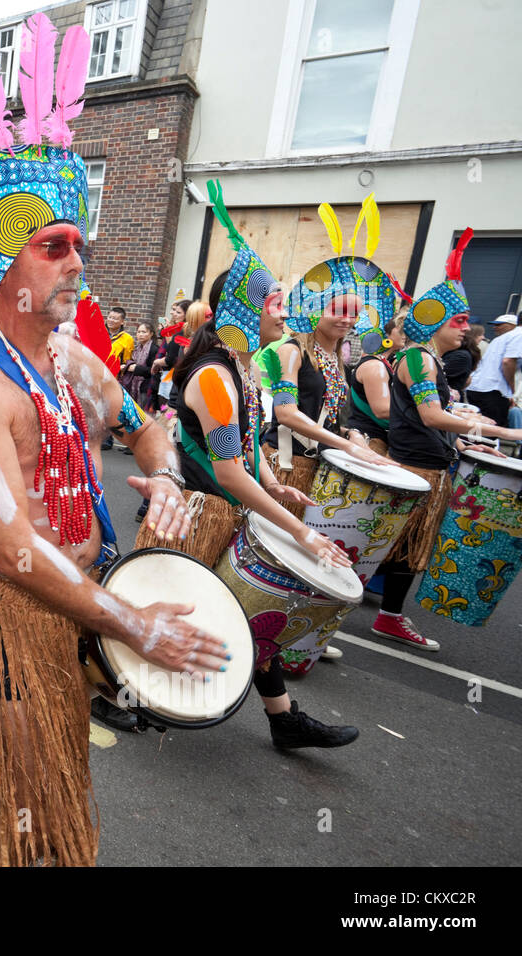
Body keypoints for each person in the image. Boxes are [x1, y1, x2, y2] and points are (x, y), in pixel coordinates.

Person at [0, 6, 218, 865]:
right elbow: (13, 550)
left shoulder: (72, 360)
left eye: (77, 243)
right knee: (12, 805)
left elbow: (148, 427)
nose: (77, 264)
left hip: (69, 609)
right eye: (54, 246)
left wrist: (163, 478)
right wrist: (133, 623)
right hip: (0, 618)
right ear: (1, 262)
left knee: (48, 795)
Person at [137, 180, 359, 748]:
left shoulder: (245, 370)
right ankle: (118, 692)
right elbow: (228, 471)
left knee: (241, 611)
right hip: (194, 512)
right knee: (177, 610)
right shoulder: (213, 375)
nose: (285, 315)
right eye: (275, 303)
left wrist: (278, 489)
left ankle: (283, 719)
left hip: (221, 511)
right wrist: (300, 532)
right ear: (242, 309)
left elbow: (249, 450)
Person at [370, 229, 522, 650]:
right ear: (435, 322)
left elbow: (432, 423)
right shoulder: (418, 359)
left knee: (402, 550)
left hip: (430, 468)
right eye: (458, 322)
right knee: (383, 547)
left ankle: (388, 617)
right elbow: (430, 415)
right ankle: (321, 611)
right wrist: (502, 431)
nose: (467, 329)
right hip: (413, 471)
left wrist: (462, 445)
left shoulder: (429, 360)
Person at [264, 197, 393, 514]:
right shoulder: (292, 352)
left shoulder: (338, 359)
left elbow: (334, 415)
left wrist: (352, 435)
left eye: (354, 313)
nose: (348, 320)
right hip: (286, 463)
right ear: (315, 309)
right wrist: (347, 445)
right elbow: (287, 413)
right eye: (339, 310)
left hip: (317, 464)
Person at [345, 313, 407, 454]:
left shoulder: (383, 363)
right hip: (368, 440)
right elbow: (382, 410)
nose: (405, 334)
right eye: (400, 329)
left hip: (372, 436)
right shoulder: (375, 365)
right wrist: (422, 411)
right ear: (385, 335)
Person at [465, 311, 522, 426]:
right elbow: (508, 361)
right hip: (491, 391)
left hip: (478, 388)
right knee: (489, 432)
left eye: (499, 325)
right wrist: (511, 389)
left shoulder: (502, 338)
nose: (495, 327)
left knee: (477, 430)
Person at [121, 320, 158, 413]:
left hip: (146, 386)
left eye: (144, 332)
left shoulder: (154, 349)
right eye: (138, 332)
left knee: (143, 414)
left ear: (151, 334)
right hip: (134, 385)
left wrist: (136, 368)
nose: (140, 334)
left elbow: (154, 370)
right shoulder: (137, 348)